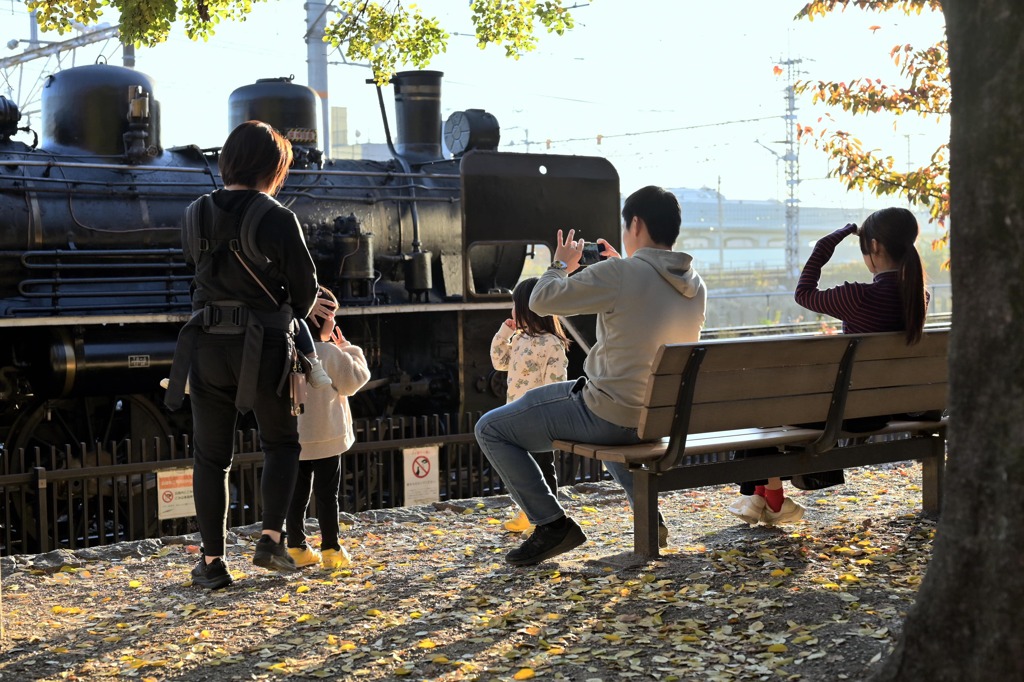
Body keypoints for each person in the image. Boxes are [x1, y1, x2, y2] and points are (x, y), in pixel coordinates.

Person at [475, 185, 707, 566]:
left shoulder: (620, 274)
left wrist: (560, 264)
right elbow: (646, 303)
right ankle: (650, 517)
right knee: (614, 417)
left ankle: (551, 524)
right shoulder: (695, 286)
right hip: (658, 418)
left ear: (636, 224)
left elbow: (540, 300)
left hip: (609, 413)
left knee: (490, 429)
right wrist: (622, 268)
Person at [164, 120, 328, 589]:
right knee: (281, 444)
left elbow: (198, 270)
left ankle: (212, 563)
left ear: (228, 161)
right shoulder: (277, 217)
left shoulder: (194, 213)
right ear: (273, 167)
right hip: (263, 347)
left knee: (211, 457)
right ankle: (271, 540)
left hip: (205, 345)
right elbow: (305, 292)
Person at [727, 206, 929, 526]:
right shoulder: (920, 298)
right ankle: (765, 499)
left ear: (874, 246)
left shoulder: (857, 297)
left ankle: (765, 496)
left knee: (765, 406)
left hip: (850, 413)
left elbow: (803, 294)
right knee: (772, 409)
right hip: (888, 409)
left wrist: (825, 245)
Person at [286, 286, 371, 569]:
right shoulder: (329, 353)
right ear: (323, 320)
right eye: (333, 317)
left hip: (297, 439)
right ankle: (331, 549)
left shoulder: (289, 351)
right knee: (327, 495)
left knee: (297, 495)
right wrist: (348, 348)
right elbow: (355, 380)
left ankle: (296, 548)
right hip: (328, 437)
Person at [489, 277, 570, 533]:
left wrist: (550, 417)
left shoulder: (552, 343)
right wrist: (504, 333)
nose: (512, 310)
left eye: (516, 305)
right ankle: (528, 512)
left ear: (530, 307)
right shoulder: (519, 338)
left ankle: (549, 517)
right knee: (522, 469)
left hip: (538, 418)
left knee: (543, 467)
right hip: (515, 415)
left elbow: (555, 384)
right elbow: (499, 361)